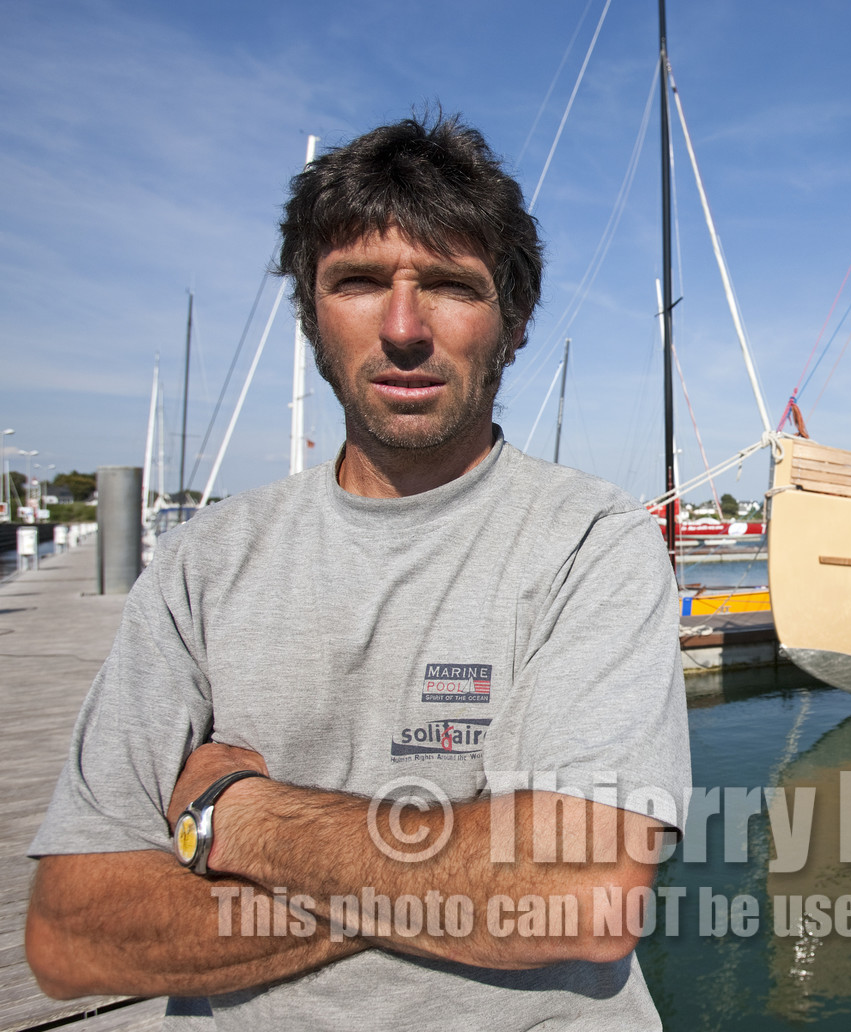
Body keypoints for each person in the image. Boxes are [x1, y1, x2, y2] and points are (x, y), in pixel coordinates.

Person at [24, 114, 690, 1030]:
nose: (405, 327)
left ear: (516, 322)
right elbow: (72, 935)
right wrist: (460, 878)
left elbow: (585, 896)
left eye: (452, 286)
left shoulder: (593, 544)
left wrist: (236, 820)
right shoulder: (202, 566)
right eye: (360, 283)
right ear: (310, 311)